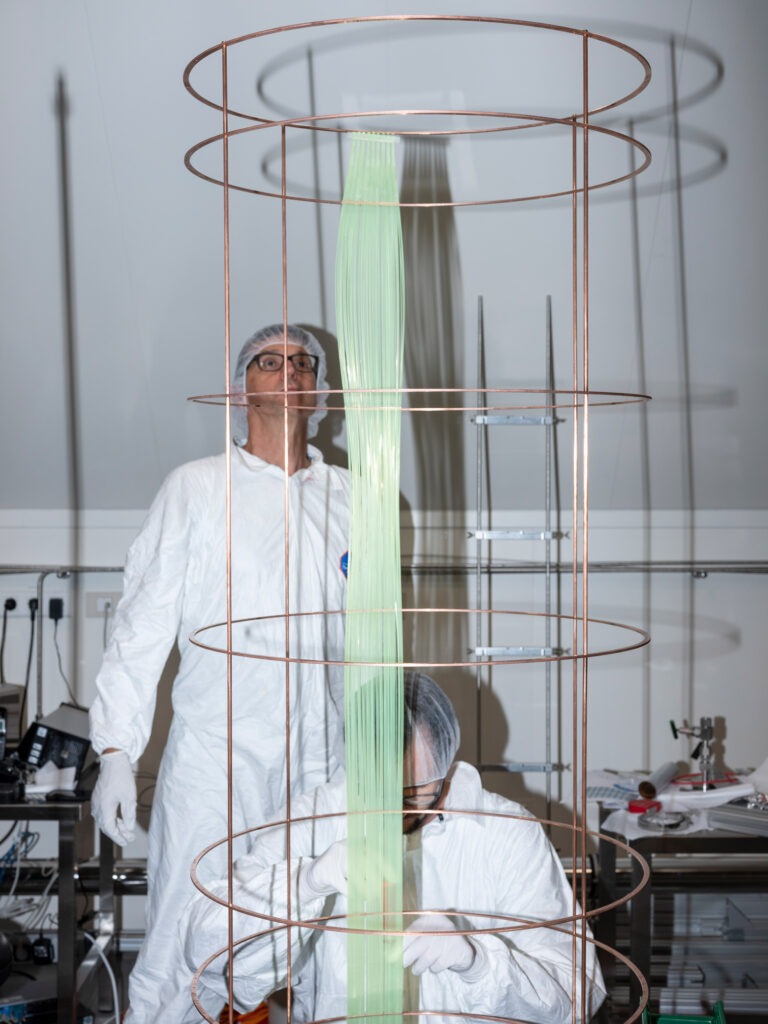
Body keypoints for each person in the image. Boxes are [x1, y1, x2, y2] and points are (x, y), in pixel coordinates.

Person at [89, 324, 350, 1024]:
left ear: (321, 393)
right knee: (186, 929)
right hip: (217, 756)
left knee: (327, 931)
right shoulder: (199, 489)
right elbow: (141, 627)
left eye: (304, 364)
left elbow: (374, 644)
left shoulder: (354, 499)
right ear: (242, 391)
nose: (290, 372)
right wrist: (116, 751)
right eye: (271, 362)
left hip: (324, 759)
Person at [182, 674, 606, 1024]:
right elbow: (211, 958)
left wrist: (479, 963)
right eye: (375, 785)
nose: (390, 805)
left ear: (441, 760)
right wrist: (305, 883)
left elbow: (576, 998)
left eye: (411, 789)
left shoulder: (506, 835)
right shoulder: (313, 818)